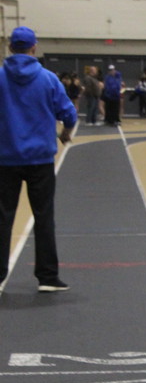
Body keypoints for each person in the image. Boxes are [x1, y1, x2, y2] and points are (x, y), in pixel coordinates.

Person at [0, 26, 77, 293]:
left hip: (5, 159)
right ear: (34, 47)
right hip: (40, 159)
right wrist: (65, 133)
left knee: (3, 218)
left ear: (11, 47)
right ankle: (47, 276)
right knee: (43, 216)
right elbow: (69, 114)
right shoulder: (48, 78)